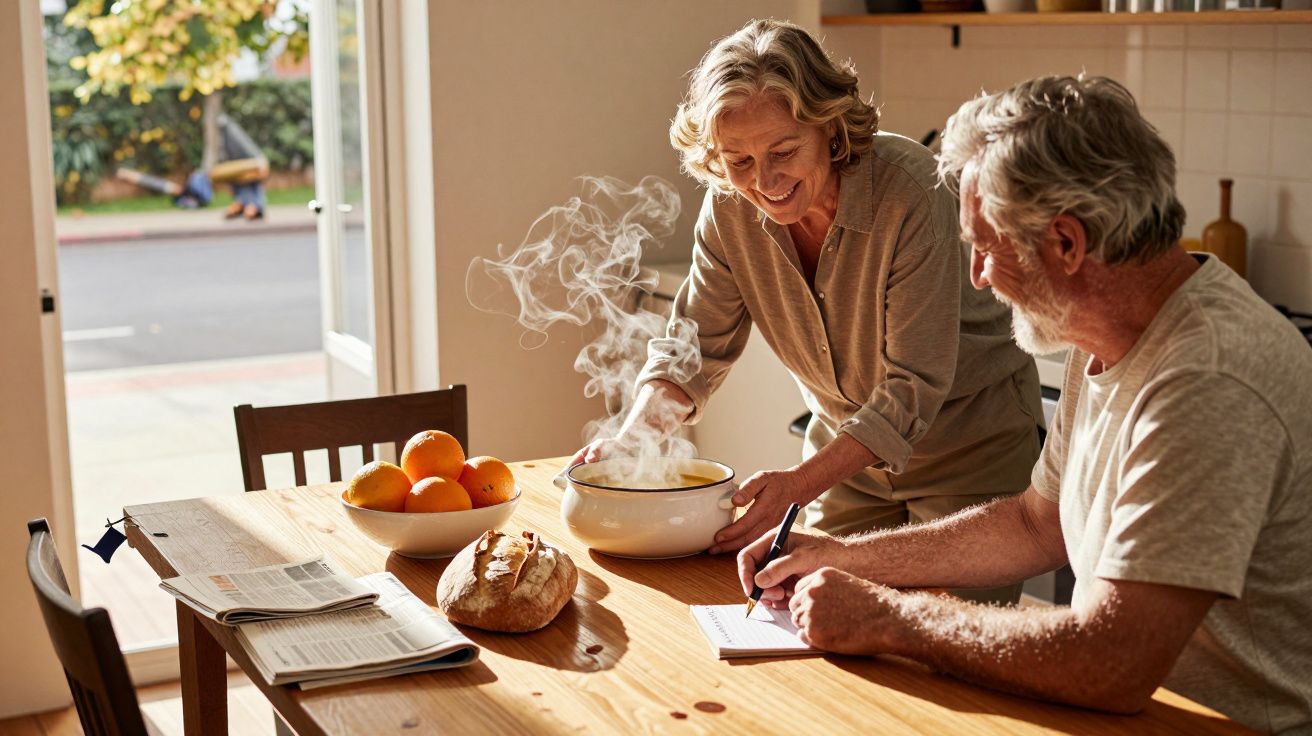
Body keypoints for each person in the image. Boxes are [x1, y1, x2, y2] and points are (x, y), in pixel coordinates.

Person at [739, 75, 1312, 733]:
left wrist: (889, 615)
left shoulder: (1206, 380)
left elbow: (1111, 662)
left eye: (985, 247)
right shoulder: (1104, 331)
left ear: (1066, 244)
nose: (977, 275)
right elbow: (1035, 525)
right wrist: (837, 557)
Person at [572, 20, 1041, 604]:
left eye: (784, 152)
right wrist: (634, 435)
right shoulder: (728, 210)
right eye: (737, 160)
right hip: (847, 465)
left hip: (968, 454)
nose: (763, 182)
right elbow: (692, 350)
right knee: (810, 622)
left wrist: (798, 484)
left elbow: (913, 386)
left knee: (940, 646)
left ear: (830, 125)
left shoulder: (912, 192)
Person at [211, 114, 269, 220]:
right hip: (249, 162)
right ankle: (226, 124)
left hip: (242, 165)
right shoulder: (257, 200)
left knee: (230, 146)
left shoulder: (244, 199)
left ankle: (225, 126)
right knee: (238, 142)